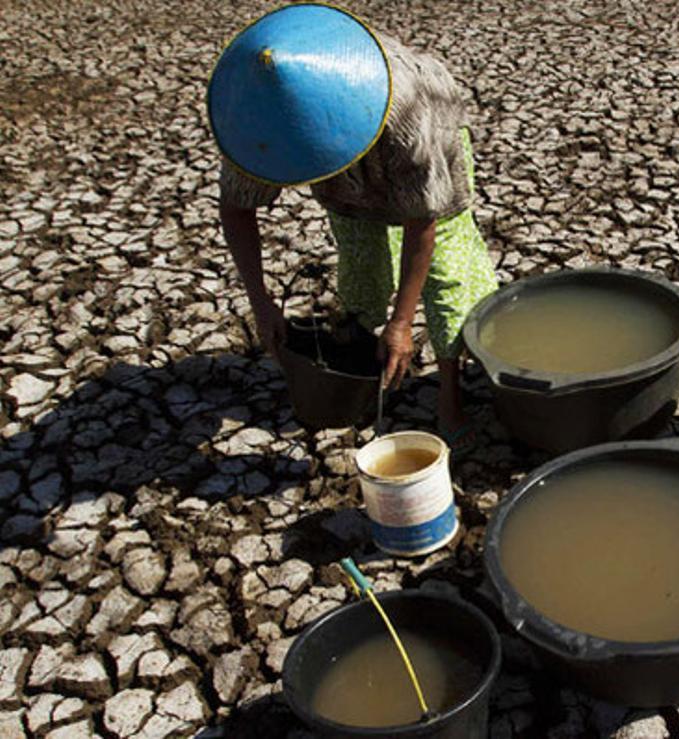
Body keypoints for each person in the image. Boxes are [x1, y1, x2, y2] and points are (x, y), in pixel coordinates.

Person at [207, 3, 497, 446]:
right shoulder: (253, 113)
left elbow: (422, 224)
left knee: (448, 277)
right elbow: (236, 208)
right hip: (347, 184)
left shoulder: (408, 107)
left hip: (423, 139)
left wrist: (402, 323)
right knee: (362, 264)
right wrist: (261, 302)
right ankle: (360, 371)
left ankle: (450, 395)